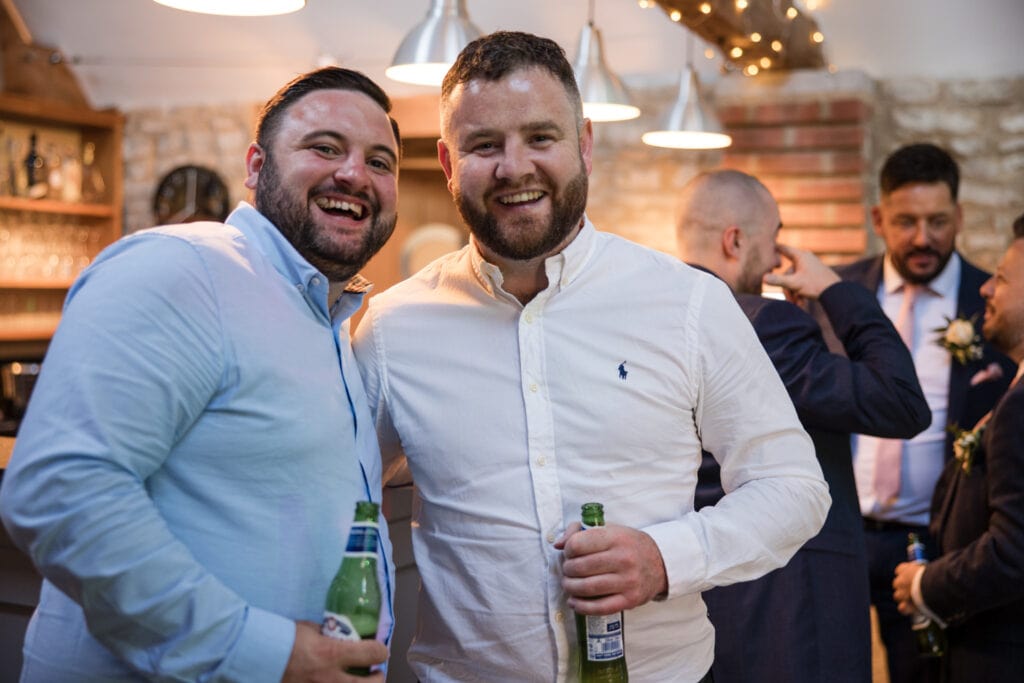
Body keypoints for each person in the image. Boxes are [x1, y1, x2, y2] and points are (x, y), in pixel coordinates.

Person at [352, 31, 830, 682]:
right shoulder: (390, 328)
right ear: (446, 162)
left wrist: (667, 555)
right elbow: (330, 495)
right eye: (484, 145)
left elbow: (794, 487)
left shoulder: (688, 303)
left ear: (584, 146)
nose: (514, 167)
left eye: (540, 138)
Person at [0, 67, 401, 682]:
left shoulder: (329, 321)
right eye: (324, 147)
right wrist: (269, 653)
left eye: (381, 160)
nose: (354, 174)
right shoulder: (182, 269)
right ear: (255, 165)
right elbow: (60, 489)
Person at [677, 169, 931, 683]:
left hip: (697, 592)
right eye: (775, 241)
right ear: (735, 240)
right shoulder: (765, 325)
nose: (776, 262)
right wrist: (835, 291)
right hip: (791, 598)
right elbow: (902, 402)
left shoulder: (653, 318)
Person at [837, 142, 1015, 683]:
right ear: (878, 219)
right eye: (906, 221)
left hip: (932, 545)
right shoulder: (840, 294)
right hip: (841, 528)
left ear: (959, 216)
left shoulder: (995, 305)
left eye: (938, 221)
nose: (922, 237)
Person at [892, 212, 1024, 681]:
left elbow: (1014, 550)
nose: (986, 289)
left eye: (1004, 280)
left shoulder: (1020, 406)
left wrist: (926, 584)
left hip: (1000, 651)